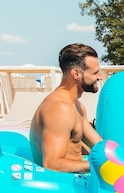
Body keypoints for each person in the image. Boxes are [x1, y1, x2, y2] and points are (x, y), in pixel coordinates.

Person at [30, 43, 103, 173]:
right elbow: (51, 164)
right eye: (95, 72)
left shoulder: (77, 106)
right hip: (64, 184)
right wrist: (97, 165)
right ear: (76, 73)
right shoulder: (59, 109)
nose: (100, 77)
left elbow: (101, 146)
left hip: (77, 176)